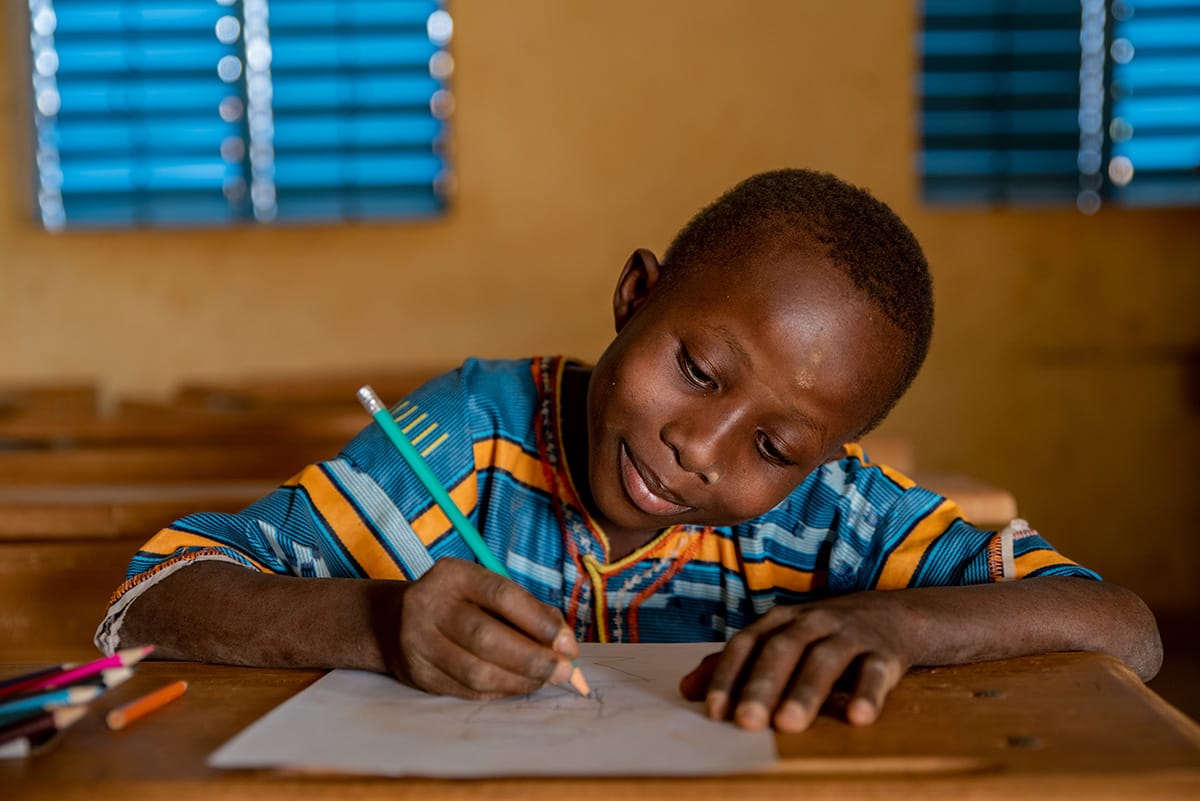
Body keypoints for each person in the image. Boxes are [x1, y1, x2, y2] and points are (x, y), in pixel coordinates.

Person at [95, 169, 1162, 733]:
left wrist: (889, 618)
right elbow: (152, 597)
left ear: (831, 450)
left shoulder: (832, 515)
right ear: (635, 294)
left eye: (778, 443)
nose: (700, 448)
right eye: (697, 371)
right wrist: (378, 620)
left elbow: (1128, 629)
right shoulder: (470, 439)